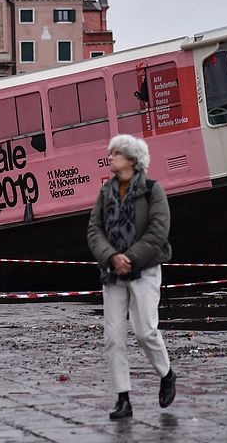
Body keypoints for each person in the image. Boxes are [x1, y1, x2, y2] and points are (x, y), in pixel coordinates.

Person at [87, 134, 176, 419]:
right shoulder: (105, 192)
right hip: (112, 273)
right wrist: (112, 257)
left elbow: (158, 231)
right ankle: (123, 398)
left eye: (115, 153)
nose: (109, 156)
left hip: (145, 269)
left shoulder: (152, 191)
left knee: (144, 330)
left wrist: (131, 258)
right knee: (113, 337)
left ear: (131, 159)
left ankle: (167, 373)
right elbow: (94, 230)